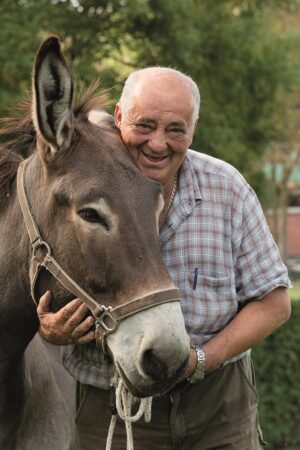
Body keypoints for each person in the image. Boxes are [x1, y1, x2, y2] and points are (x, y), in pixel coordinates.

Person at [37, 67, 291, 450]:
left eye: (176, 129)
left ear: (193, 130)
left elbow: (274, 303)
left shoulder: (227, 188)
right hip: (111, 409)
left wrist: (203, 359)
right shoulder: (80, 188)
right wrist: (50, 332)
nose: (158, 143)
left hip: (219, 407)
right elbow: (27, 286)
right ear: (119, 118)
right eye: (145, 125)